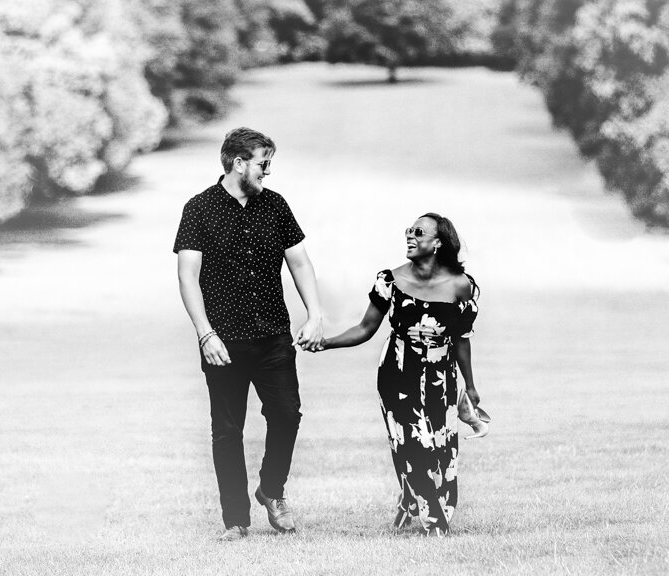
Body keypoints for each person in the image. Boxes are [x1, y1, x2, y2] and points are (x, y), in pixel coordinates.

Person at [174, 127, 324, 542]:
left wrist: (314, 314)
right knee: (226, 430)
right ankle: (235, 520)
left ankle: (271, 490)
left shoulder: (274, 206)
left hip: (273, 335)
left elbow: (300, 264)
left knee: (287, 415)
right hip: (223, 342)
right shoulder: (199, 209)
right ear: (239, 163)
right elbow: (188, 277)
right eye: (262, 163)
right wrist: (206, 335)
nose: (267, 172)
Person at [303, 213, 480, 536]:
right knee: (413, 443)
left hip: (441, 378)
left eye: (419, 232)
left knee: (440, 449)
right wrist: (325, 343)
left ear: (438, 242)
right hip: (398, 372)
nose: (410, 236)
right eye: (408, 231)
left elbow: (461, 340)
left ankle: (410, 500)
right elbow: (365, 328)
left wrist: (470, 386)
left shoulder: (460, 286)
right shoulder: (389, 281)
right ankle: (434, 520)